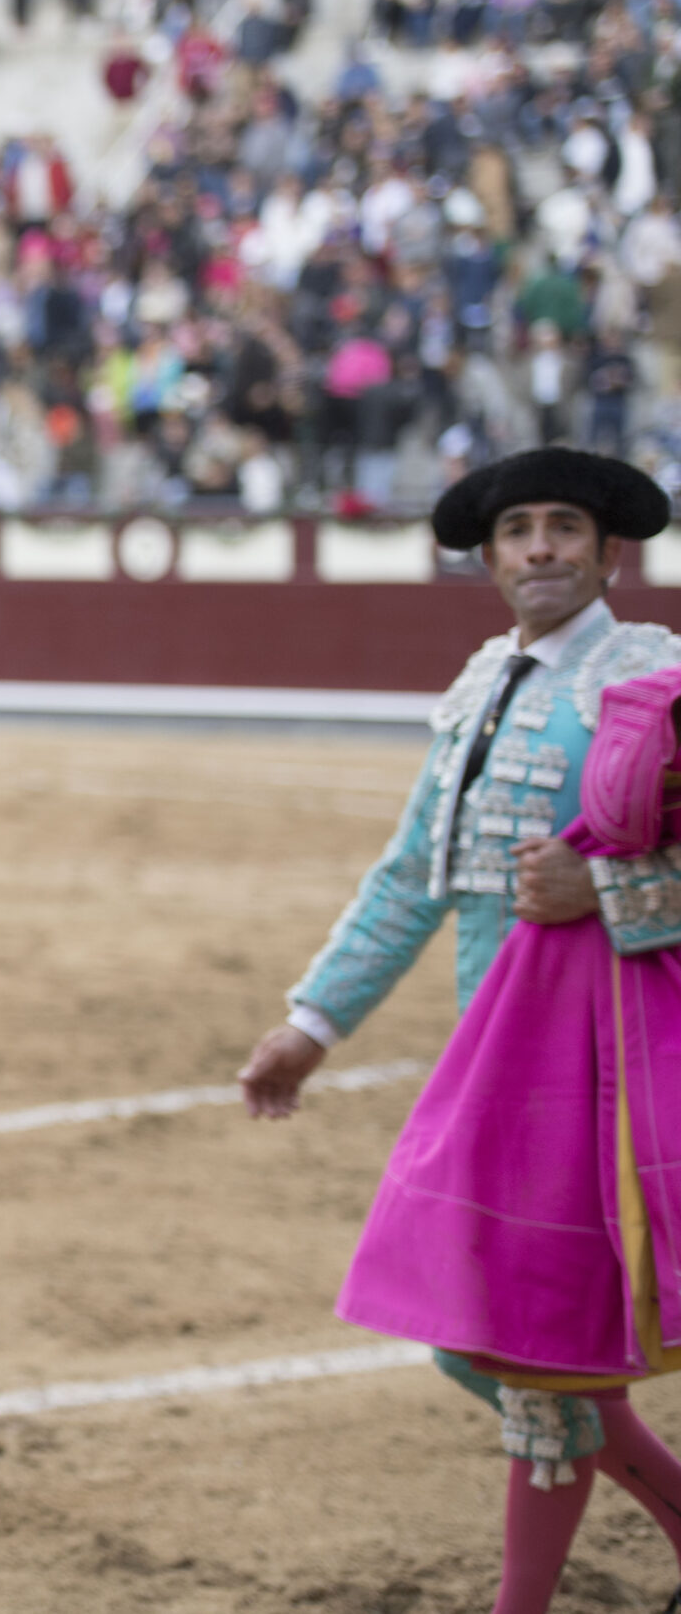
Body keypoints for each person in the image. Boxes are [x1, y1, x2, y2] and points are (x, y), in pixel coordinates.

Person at [240, 448, 681, 1613]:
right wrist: (311, 1024)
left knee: (530, 1347)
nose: (542, 547)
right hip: (495, 1064)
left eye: (565, 527)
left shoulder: (655, 682)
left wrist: (610, 894)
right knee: (495, 1336)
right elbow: (409, 881)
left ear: (607, 552)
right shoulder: (483, 682)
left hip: (612, 1063)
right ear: (487, 558)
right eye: (520, 530)